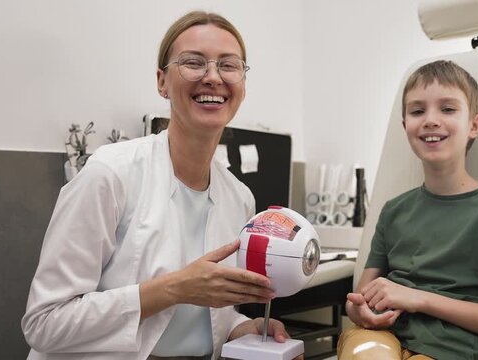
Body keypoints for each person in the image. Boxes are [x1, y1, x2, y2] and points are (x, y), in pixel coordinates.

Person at [22, 10, 298, 360]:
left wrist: (241, 328)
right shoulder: (110, 174)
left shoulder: (239, 197)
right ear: (162, 81)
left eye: (229, 66)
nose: (213, 77)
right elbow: (44, 323)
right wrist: (172, 289)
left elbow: (206, 316)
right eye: (193, 63)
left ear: (242, 83)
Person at [337, 60, 478, 360]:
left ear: (474, 126)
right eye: (417, 111)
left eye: (447, 109)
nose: (430, 120)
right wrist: (359, 310)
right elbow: (359, 298)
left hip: (453, 349)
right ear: (406, 127)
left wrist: (418, 299)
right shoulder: (393, 212)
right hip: (381, 338)